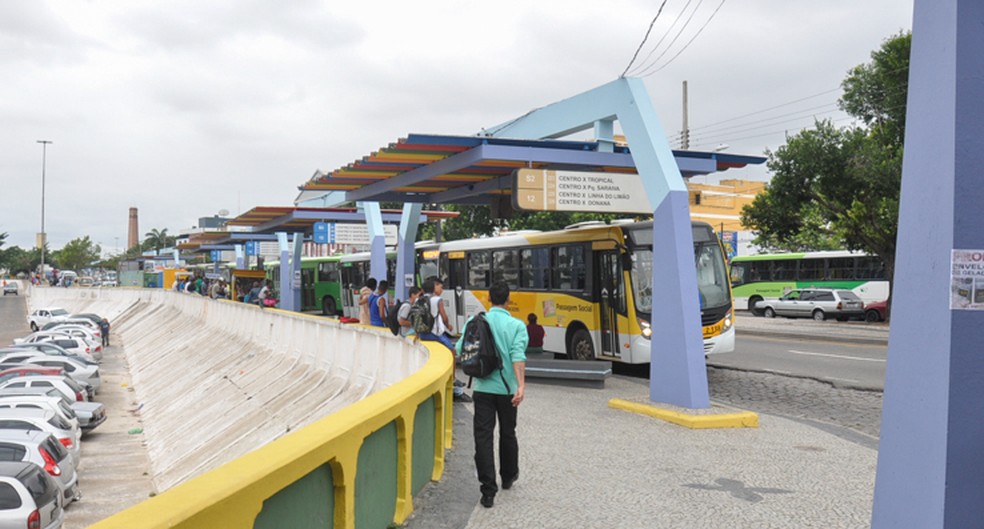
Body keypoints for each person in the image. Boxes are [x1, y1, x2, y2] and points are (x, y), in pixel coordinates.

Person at [456, 281, 527, 509]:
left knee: (483, 437)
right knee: (508, 432)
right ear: (508, 300)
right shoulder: (517, 325)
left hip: (482, 389)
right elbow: (517, 356)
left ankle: (488, 491)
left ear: (488, 298)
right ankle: (508, 476)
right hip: (507, 391)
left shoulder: (474, 321)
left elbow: (460, 349)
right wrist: (521, 386)